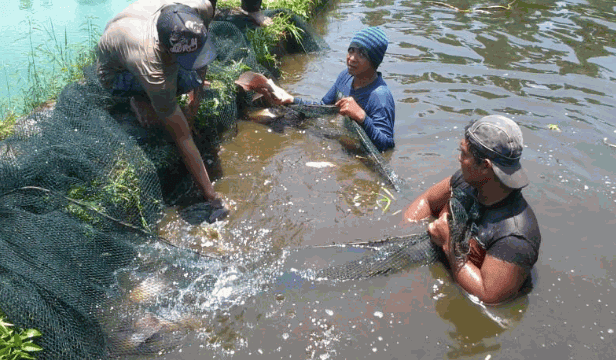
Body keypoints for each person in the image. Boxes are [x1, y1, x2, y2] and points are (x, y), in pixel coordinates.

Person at [97, 0, 228, 217]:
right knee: (165, 111)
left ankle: (164, 91)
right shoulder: (152, 66)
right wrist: (212, 198)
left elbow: (201, 58)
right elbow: (183, 137)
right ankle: (138, 99)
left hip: (139, 36)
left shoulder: (197, 8)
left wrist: (193, 106)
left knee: (191, 78)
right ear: (167, 50)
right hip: (117, 73)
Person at [403, 115, 541, 304]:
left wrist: (449, 243)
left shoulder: (515, 236)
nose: (459, 158)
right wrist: (406, 228)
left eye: (464, 153)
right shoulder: (467, 181)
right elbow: (427, 201)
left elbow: (488, 297)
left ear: (485, 166)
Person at [267, 27, 396, 152]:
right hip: (344, 142)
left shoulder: (380, 97)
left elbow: (387, 145)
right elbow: (323, 107)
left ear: (374, 61)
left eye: (362, 54)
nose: (352, 58)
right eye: (351, 50)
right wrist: (292, 99)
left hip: (358, 151)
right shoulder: (345, 76)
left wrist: (362, 117)